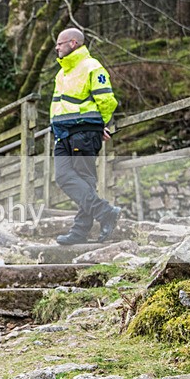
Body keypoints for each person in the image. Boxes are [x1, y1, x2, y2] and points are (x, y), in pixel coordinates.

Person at [50, 27, 120, 245]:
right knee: (63, 176)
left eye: (60, 43)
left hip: (83, 133)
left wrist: (102, 124)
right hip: (63, 135)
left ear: (73, 43)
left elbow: (106, 100)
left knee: (85, 180)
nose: (56, 47)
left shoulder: (92, 66)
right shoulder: (61, 73)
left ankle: (80, 232)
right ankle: (105, 212)